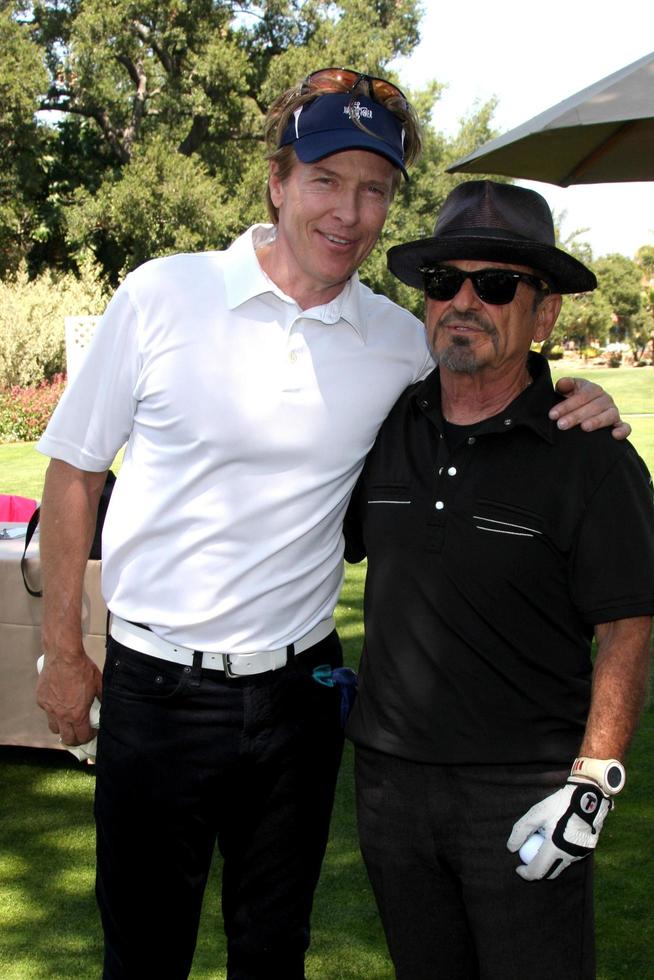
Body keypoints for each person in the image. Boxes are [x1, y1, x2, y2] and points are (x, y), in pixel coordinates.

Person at [35, 65, 624, 980]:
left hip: (299, 702)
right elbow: (73, 472)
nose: (347, 211)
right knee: (142, 951)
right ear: (277, 181)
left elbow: (494, 376)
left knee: (274, 951)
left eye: (374, 190)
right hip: (154, 688)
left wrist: (583, 399)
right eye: (325, 180)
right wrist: (66, 651)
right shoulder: (163, 295)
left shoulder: (400, 339)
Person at [344, 180, 654, 980]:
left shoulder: (592, 456)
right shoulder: (386, 427)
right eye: (445, 282)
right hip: (390, 787)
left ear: (542, 314)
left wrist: (591, 787)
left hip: (525, 793)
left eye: (498, 284)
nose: (464, 302)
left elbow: (627, 627)